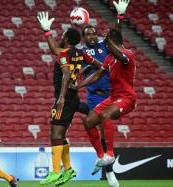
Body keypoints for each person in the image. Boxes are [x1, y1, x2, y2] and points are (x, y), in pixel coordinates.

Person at [37, 12, 102, 186]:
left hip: (65, 98)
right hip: (73, 97)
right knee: (61, 135)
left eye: (63, 36)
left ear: (65, 39)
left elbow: (65, 72)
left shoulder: (64, 54)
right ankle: (69, 169)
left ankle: (56, 172)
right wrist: (83, 79)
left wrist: (61, 98)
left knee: (55, 134)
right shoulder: (80, 53)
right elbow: (100, 67)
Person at [74, 28, 136, 173]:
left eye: (107, 44)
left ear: (112, 43)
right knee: (88, 121)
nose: (105, 47)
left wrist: (108, 39)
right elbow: (97, 75)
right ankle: (101, 156)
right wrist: (78, 85)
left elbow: (121, 56)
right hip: (113, 97)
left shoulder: (127, 54)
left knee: (105, 115)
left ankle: (110, 154)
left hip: (127, 97)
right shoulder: (108, 59)